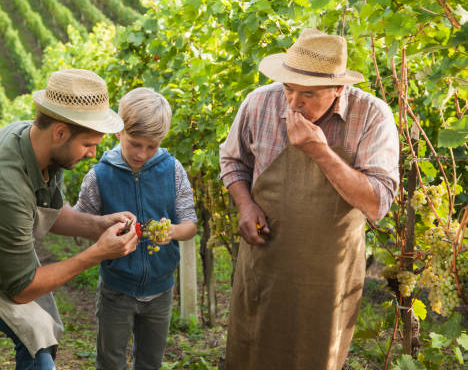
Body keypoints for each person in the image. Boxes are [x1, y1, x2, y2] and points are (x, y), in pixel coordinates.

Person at [0, 69, 139, 370]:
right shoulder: (3, 186)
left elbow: (45, 209)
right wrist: (97, 254)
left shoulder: (37, 144)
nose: (93, 154)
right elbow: (21, 289)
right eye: (88, 144)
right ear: (60, 132)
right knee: (33, 333)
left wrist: (97, 226)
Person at [220, 29, 399, 369]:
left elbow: (378, 202)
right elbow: (232, 161)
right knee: (252, 351)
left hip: (328, 274)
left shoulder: (372, 117)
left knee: (314, 356)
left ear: (338, 89)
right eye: (288, 88)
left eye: (309, 94)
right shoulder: (259, 102)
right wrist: (245, 204)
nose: (293, 103)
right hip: (265, 262)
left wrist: (320, 151)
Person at [74, 87, 198, 370]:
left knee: (150, 363)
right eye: (135, 144)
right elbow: (81, 223)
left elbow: (190, 224)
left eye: (151, 146)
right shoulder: (100, 175)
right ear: (118, 133)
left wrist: (172, 232)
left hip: (161, 290)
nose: (142, 154)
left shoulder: (173, 170)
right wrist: (105, 233)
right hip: (116, 290)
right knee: (110, 362)